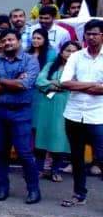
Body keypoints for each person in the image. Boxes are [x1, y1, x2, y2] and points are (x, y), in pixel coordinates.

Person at [0, 28, 42, 203]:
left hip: (21, 111)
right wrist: (12, 82)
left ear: (19, 41)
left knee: (24, 152)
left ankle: (33, 190)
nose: (7, 43)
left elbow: (25, 84)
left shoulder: (30, 61)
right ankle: (2, 187)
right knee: (2, 152)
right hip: (0, 110)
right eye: (4, 40)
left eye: (11, 39)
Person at [60, 20, 103, 207]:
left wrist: (80, 85)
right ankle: (79, 193)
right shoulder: (76, 56)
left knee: (101, 158)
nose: (91, 37)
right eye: (88, 34)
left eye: (95, 33)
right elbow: (65, 82)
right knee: (77, 158)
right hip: (74, 114)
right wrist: (94, 85)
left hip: (98, 115)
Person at [33, 42, 77, 184]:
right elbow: (40, 81)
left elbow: (78, 84)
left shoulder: (78, 67)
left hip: (67, 105)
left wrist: (55, 83)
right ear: (61, 52)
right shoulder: (51, 65)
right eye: (67, 50)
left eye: (73, 51)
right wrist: (61, 85)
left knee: (60, 137)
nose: (69, 54)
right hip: (47, 105)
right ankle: (39, 169)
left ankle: (56, 170)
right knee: (43, 136)